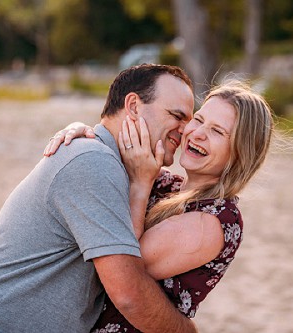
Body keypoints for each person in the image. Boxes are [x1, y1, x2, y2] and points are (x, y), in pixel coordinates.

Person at [0, 64, 198, 333]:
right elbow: (128, 294)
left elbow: (122, 259)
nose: (185, 130)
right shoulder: (93, 162)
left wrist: (141, 185)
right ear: (133, 106)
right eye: (177, 116)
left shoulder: (117, 167)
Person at [45, 80, 274, 332]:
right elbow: (113, 142)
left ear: (241, 152)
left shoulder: (215, 220)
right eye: (198, 120)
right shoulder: (166, 183)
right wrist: (83, 133)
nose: (197, 133)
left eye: (217, 132)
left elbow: (120, 271)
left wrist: (141, 186)